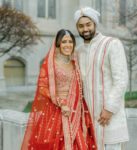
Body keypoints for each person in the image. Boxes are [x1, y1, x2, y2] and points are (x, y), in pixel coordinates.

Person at [21, 29, 97, 150]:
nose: (68, 45)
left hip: (76, 110)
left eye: (70, 42)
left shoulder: (75, 63)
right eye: (64, 42)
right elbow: (42, 87)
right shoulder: (51, 65)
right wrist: (61, 103)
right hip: (56, 110)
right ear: (58, 44)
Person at [74, 7, 129, 150]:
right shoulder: (78, 51)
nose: (85, 29)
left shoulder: (112, 44)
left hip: (109, 117)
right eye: (81, 26)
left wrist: (109, 108)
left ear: (95, 24)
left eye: (88, 24)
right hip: (87, 119)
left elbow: (121, 80)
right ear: (77, 28)